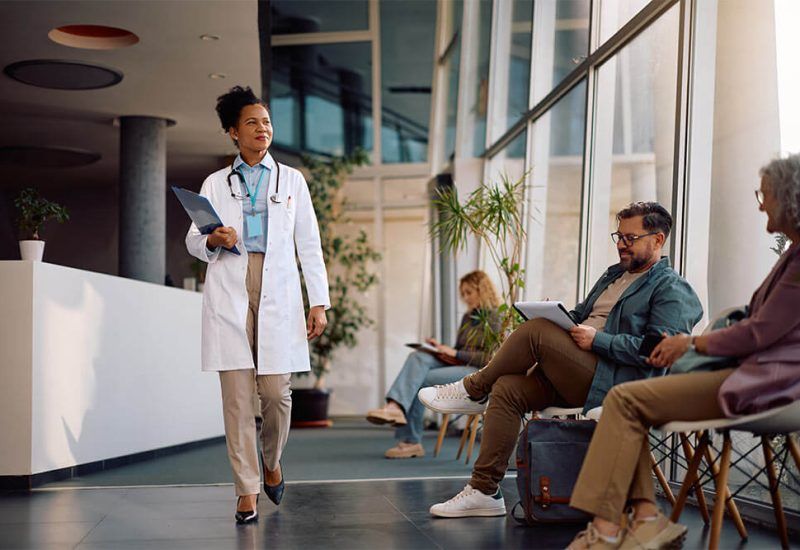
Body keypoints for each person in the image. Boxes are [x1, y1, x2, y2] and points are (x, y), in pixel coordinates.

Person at [566, 154, 800, 549]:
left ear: (789, 197)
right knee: (627, 402)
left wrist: (689, 343)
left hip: (769, 384)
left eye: (766, 194)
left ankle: (610, 530)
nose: (761, 203)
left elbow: (759, 333)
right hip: (755, 372)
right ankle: (641, 519)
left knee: (624, 400)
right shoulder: (794, 254)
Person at [419, 202, 703, 518]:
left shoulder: (672, 288)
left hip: (613, 382)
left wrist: (598, 340)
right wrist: (558, 317)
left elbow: (658, 352)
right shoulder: (613, 276)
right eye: (618, 236)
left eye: (630, 238)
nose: (621, 245)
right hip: (579, 371)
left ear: (658, 240)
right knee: (508, 387)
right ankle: (484, 491)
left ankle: (472, 389)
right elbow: (582, 317)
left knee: (535, 332)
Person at [185, 86, 329, 524]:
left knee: (275, 393)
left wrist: (319, 301)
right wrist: (213, 238)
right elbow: (193, 239)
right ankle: (246, 489)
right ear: (233, 132)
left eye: (266, 122)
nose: (262, 128)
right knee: (235, 398)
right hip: (232, 282)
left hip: (278, 285)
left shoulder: (292, 180)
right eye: (252, 122)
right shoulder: (214, 183)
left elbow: (309, 242)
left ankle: (271, 461)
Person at [366, 270, 501, 459]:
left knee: (421, 378)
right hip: (460, 363)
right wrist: (441, 349)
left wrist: (453, 352)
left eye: (469, 292)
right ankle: (395, 407)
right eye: (463, 294)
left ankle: (410, 441)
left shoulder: (495, 317)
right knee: (417, 357)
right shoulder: (468, 317)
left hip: (478, 371)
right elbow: (459, 350)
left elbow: (490, 357)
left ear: (483, 290)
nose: (466, 298)